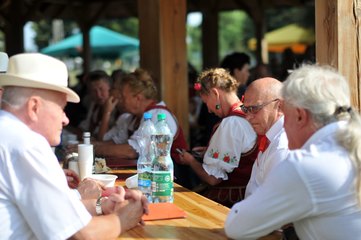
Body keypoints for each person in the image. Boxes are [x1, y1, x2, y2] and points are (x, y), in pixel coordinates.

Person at [0, 53, 148, 239]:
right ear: (34, 107)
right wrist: (124, 218)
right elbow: (79, 235)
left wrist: (102, 205)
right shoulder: (26, 144)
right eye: (61, 108)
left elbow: (52, 210)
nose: (65, 119)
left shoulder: (9, 134)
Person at [225, 64, 361, 239]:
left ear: (299, 116)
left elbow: (236, 227)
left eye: (285, 117)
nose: (283, 126)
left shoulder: (306, 165)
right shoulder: (343, 146)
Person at [94, 68, 195, 189]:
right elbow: (112, 142)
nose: (120, 100)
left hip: (171, 182)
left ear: (138, 98)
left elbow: (131, 151)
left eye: (123, 96)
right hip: (150, 178)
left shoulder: (157, 116)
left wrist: (93, 149)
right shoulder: (133, 118)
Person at [178, 68, 258, 207]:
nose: (208, 110)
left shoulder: (231, 123)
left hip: (230, 202)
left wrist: (191, 161)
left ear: (215, 93)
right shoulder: (247, 114)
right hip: (248, 199)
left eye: (206, 102)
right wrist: (208, 151)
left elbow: (213, 178)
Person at [241, 77, 289, 198]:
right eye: (245, 109)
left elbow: (276, 205)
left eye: (254, 109)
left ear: (280, 107)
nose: (248, 117)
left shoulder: (282, 146)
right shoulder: (272, 137)